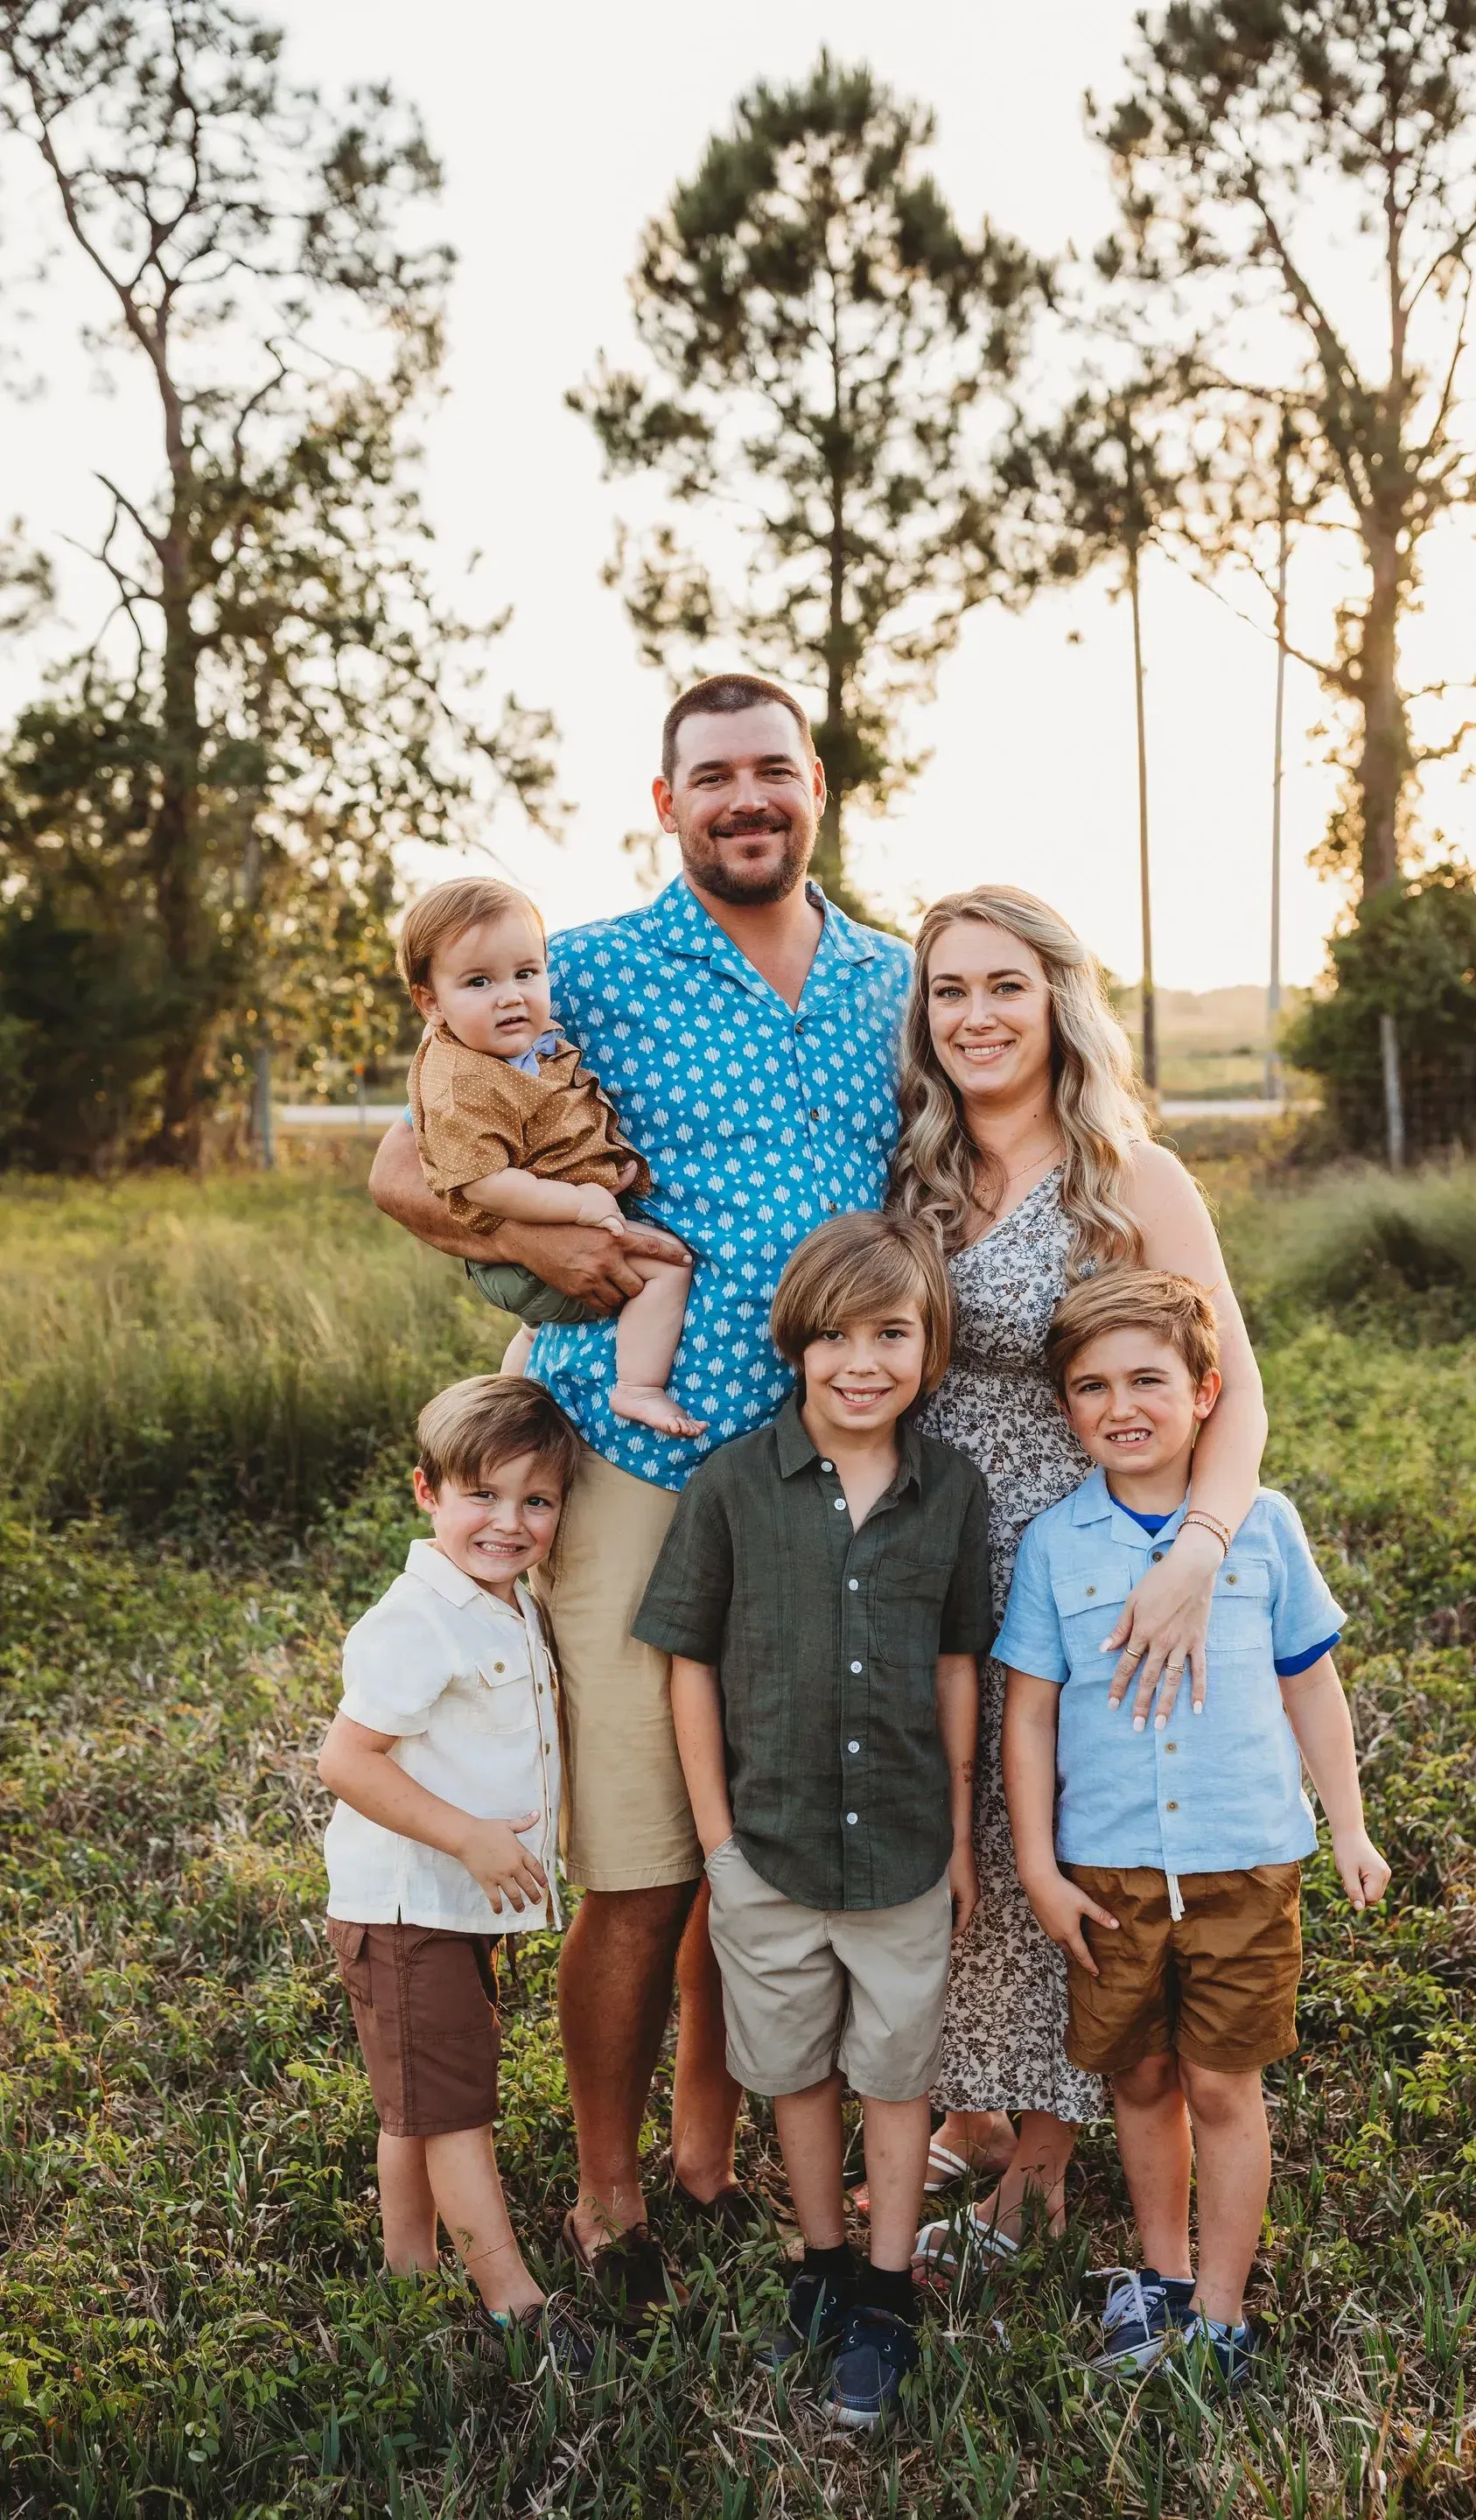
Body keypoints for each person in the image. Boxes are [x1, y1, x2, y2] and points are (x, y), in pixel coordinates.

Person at [367, 674, 911, 2318]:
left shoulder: (895, 977)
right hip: (641, 1457)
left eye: (773, 771)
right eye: (711, 778)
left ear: (813, 787)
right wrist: (536, 1245)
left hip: (835, 1473)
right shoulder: (581, 969)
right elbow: (408, 1159)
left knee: (754, 1830)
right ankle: (610, 2179)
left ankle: (704, 2134)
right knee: (641, 1850)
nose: (746, 798)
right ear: (665, 803)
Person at [885, 886, 1270, 2272]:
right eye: (948, 992)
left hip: (1083, 1546)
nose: (976, 1017)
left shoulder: (1133, 1178)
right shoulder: (911, 1169)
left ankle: (1040, 2168)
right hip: (930, 1534)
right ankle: (976, 2110)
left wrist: (1198, 1561)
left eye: (1004, 986)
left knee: (1065, 1823)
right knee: (965, 1831)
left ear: (1058, 1001)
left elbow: (1240, 1398)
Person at [997, 1269, 1389, 2384]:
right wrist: (1036, 1862)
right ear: (1066, 1409)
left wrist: (1349, 1829)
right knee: (1139, 2081)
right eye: (1091, 1386)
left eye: (1148, 1380)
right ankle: (1158, 2285)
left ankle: (1220, 2315)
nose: (1121, 1405)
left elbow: (1313, 1687)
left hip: (1243, 1863)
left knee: (1221, 2083)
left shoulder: (1261, 1531)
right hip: (1108, 1871)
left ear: (1207, 1391)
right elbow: (1027, 1712)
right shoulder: (1055, 1544)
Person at [637, 1212, 990, 2427]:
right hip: (769, 1852)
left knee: (895, 2073)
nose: (861, 1362)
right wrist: (719, 1844)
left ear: (930, 1346)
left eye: (891, 1334)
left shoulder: (952, 1490)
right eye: (834, 1336)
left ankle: (889, 2287)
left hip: (903, 1851)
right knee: (792, 2070)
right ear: (796, 1343)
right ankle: (824, 2264)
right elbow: (687, 1660)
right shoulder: (735, 1483)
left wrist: (957, 1835)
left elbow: (956, 1662)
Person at [316, 1375, 594, 2368]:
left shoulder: (501, 1602)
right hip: (407, 1906)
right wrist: (471, 1836)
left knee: (420, 2102)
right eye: (483, 1494)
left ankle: (406, 2266)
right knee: (455, 2114)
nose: (509, 1523)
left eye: (537, 1501)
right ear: (426, 1492)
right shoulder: (418, 1618)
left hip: (443, 1909)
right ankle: (514, 2301)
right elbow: (346, 1761)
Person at [399, 875, 703, 1440]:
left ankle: (507, 1398)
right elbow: (484, 1184)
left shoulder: (513, 1047)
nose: (510, 995)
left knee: (537, 1330)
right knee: (667, 1267)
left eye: (526, 973)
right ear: (430, 1002)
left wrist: (609, 1170)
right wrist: (581, 1202)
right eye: (479, 981)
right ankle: (637, 1387)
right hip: (518, 1241)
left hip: (543, 1225)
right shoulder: (460, 1082)